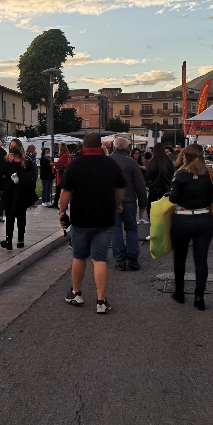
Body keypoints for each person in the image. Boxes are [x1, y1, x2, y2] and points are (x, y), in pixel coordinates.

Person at [59, 132, 126, 314]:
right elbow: (120, 187)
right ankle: (101, 302)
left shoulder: (75, 164)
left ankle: (76, 293)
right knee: (100, 259)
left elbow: (65, 191)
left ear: (84, 146)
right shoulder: (111, 164)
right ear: (101, 145)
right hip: (104, 218)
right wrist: (118, 203)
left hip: (81, 218)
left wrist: (62, 211)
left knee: (79, 256)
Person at [168, 144, 213, 311]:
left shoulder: (180, 174)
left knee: (180, 257)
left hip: (182, 219)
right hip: (204, 219)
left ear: (185, 157)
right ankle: (199, 296)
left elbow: (173, 198)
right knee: (201, 259)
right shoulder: (209, 174)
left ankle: (179, 293)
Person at [110, 137, 148, 271]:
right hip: (130, 200)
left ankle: (120, 260)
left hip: (111, 201)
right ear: (127, 148)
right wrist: (143, 202)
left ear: (113, 146)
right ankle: (132, 258)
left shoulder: (108, 161)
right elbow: (140, 184)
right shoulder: (132, 163)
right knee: (131, 229)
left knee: (115, 230)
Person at [0, 140, 38, 250]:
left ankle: (20, 239)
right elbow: (0, 173)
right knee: (9, 216)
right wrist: (8, 163)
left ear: (19, 147)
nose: (12, 149)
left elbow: (32, 175)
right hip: (8, 192)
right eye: (11, 146)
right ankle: (8, 240)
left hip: (21, 192)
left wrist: (20, 176)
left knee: (21, 216)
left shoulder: (26, 161)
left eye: (15, 146)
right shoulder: (6, 160)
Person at [50, 143, 71, 209]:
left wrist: (52, 163)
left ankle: (59, 204)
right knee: (60, 189)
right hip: (65, 172)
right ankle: (57, 203)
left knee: (60, 188)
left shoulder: (64, 155)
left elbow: (59, 163)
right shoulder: (68, 155)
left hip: (61, 173)